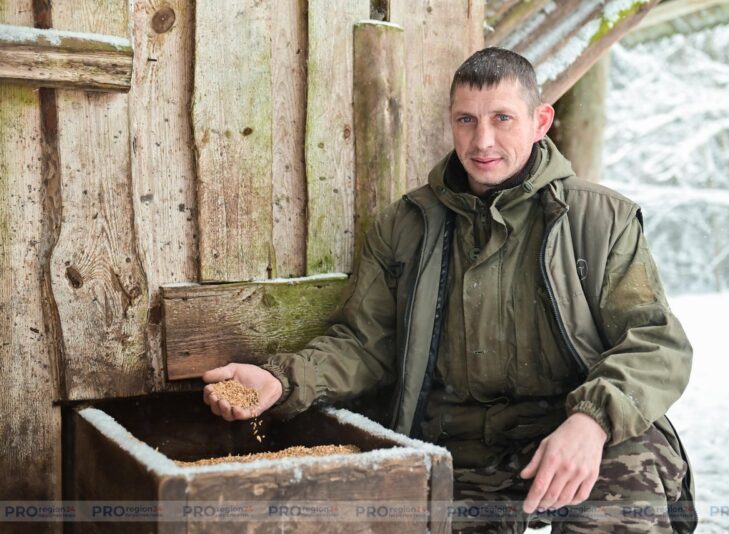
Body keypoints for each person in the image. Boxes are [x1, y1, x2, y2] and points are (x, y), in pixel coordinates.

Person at [202, 47, 696, 533]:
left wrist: (591, 422)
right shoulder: (405, 225)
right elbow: (365, 344)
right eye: (466, 120)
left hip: (560, 433)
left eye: (503, 118)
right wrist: (283, 379)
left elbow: (655, 342)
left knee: (632, 462)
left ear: (540, 121)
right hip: (453, 450)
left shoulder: (600, 220)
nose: (483, 140)